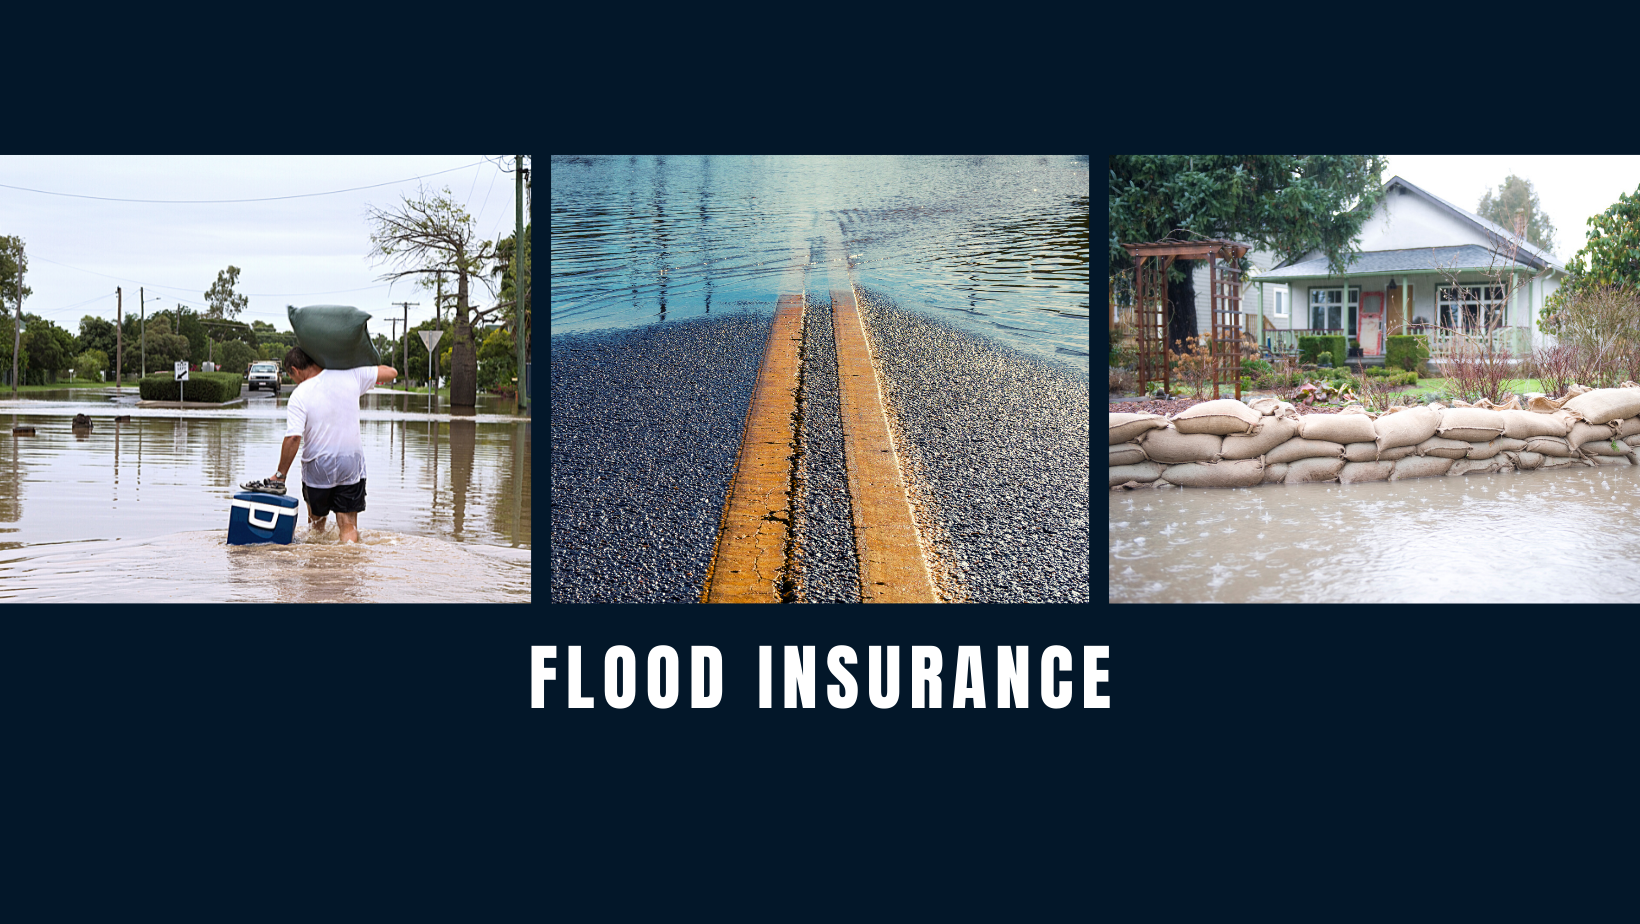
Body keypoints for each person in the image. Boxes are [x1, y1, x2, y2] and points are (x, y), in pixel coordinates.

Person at [262, 347, 398, 543]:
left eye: (292, 377)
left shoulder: (300, 394)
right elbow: (391, 373)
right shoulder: (350, 375)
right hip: (350, 464)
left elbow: (293, 438)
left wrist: (280, 475)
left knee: (316, 528)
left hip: (317, 466)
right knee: (348, 525)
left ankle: (319, 570)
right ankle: (349, 565)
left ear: (295, 370)